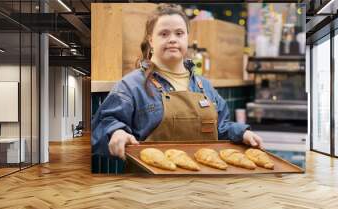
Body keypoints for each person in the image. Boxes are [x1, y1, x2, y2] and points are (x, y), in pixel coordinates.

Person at [91, 4, 264, 160]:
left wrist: (242, 133)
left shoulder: (204, 86)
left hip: (204, 183)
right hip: (151, 189)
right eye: (164, 34)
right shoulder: (131, 86)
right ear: (151, 40)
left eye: (179, 33)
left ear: (187, 38)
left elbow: (222, 128)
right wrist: (116, 131)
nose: (172, 39)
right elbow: (104, 124)